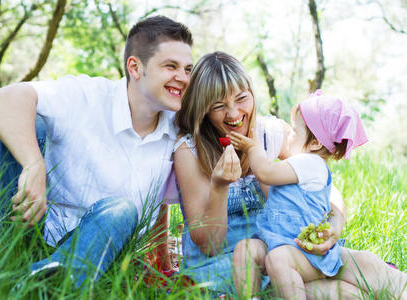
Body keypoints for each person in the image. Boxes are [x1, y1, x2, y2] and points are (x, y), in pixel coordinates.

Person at [0, 15, 193, 288]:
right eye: (171, 66)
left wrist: (162, 266)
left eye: (188, 69)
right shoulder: (87, 96)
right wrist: (34, 164)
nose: (183, 78)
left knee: (122, 210)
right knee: (30, 123)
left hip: (92, 254)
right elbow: (6, 98)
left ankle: (43, 282)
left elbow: (161, 204)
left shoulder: (178, 135)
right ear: (135, 67)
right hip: (29, 225)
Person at [173, 51, 407, 299]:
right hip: (226, 263)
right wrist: (219, 187)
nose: (233, 113)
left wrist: (334, 226)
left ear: (252, 93)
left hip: (278, 250)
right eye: (218, 106)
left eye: (241, 98)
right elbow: (209, 244)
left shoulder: (269, 133)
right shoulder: (190, 151)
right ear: (204, 109)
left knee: (353, 280)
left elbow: (322, 186)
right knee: (345, 293)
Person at [229, 93, 379, 299]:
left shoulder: (310, 163)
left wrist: (252, 148)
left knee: (277, 259)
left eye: (294, 130)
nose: (288, 133)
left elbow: (265, 173)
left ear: (316, 142)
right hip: (280, 241)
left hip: (305, 252)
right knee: (245, 250)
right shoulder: (302, 164)